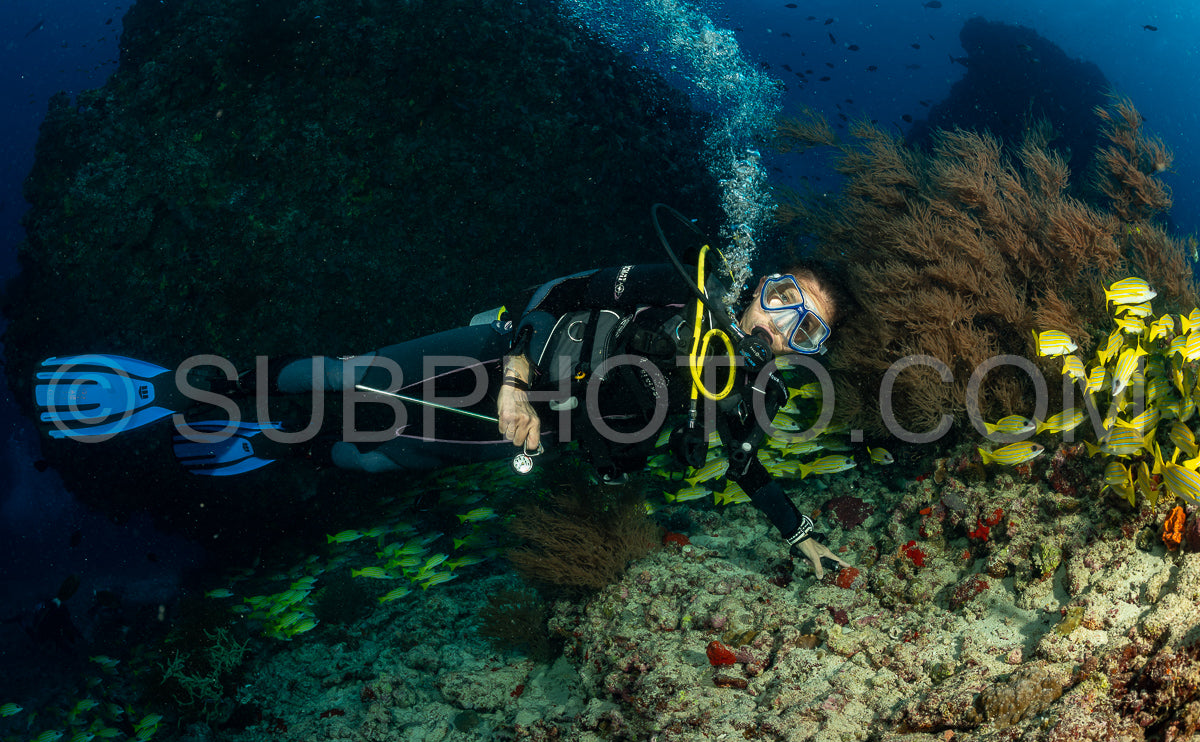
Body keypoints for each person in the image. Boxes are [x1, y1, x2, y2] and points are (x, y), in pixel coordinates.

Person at [33, 251, 852, 577]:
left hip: (528, 434)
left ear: (805, 350)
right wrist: (512, 376)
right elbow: (553, 294)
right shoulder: (677, 287)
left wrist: (798, 531)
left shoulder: (742, 396)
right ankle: (170, 390)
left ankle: (268, 442)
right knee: (352, 377)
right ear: (757, 286)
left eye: (805, 326)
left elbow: (747, 468)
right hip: (500, 351)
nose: (782, 323)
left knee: (372, 459)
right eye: (784, 298)